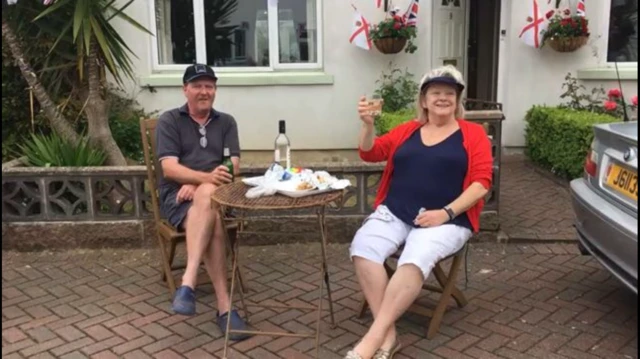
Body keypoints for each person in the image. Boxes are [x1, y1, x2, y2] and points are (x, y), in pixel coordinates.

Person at [345, 65, 493, 359]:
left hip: (447, 220)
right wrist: (367, 124)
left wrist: (445, 213)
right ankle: (388, 336)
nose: (442, 98)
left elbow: (481, 184)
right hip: (396, 211)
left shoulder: (472, 134)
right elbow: (370, 152)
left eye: (449, 93)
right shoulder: (408, 130)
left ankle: (373, 340)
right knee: (363, 248)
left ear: (457, 100)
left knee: (413, 260)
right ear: (424, 101)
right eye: (435, 92)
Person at [155, 63, 251, 341]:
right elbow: (169, 169)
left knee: (209, 196)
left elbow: (232, 168)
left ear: (215, 91)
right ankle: (224, 308)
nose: (204, 91)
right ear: (185, 89)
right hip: (177, 199)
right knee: (214, 216)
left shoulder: (227, 122)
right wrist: (203, 181)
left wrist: (198, 184)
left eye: (209, 86)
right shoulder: (170, 120)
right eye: (197, 85)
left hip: (216, 195)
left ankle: (188, 281)